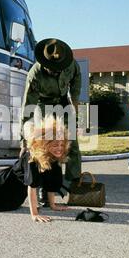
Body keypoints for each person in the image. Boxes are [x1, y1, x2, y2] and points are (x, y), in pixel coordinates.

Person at [21, 38, 82, 204]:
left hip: (63, 103)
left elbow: (76, 78)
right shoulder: (34, 74)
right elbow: (28, 106)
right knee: (47, 146)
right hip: (43, 106)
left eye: (58, 68)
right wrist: (24, 139)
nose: (56, 71)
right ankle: (46, 189)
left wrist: (74, 100)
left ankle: (75, 185)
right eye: (52, 68)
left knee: (71, 144)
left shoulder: (70, 64)